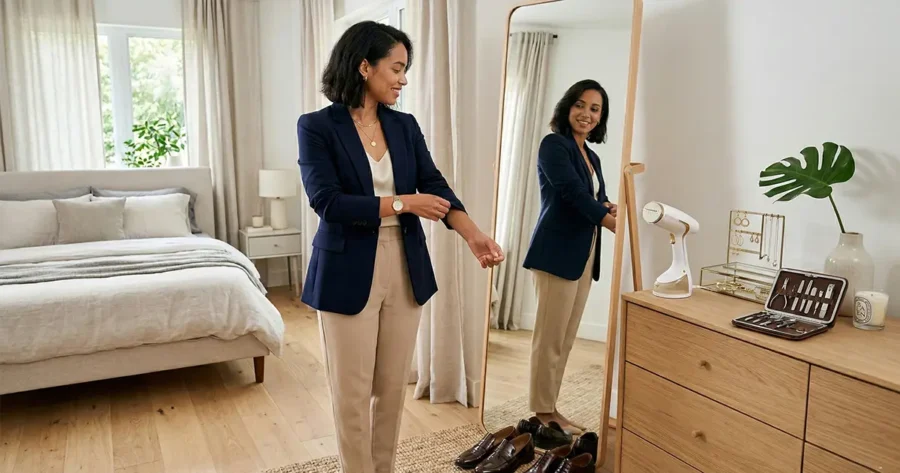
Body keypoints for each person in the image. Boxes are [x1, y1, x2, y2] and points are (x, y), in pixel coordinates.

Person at [296, 21, 504, 473]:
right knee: (351, 393)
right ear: (364, 65)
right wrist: (403, 202)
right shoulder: (316, 127)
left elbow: (434, 186)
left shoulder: (404, 125)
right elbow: (327, 202)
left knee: (391, 388)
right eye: (397, 67)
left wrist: (473, 234)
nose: (403, 79)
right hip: (346, 268)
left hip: (405, 266)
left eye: (405, 69)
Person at [521, 79, 618, 435]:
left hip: (584, 253)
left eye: (595, 109)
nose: (586, 114)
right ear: (567, 107)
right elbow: (572, 194)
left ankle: (551, 407)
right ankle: (541, 412)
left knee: (564, 338)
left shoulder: (591, 156)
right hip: (556, 251)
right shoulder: (554, 146)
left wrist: (610, 207)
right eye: (580, 105)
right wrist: (607, 220)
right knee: (548, 338)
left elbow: (595, 196)